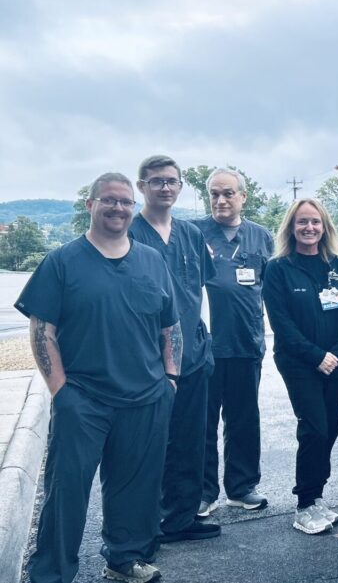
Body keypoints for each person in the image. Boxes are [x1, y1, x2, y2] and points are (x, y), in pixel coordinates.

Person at [16, 172, 179, 583]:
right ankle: (52, 574)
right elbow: (42, 331)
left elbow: (168, 327)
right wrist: (62, 393)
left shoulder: (151, 260)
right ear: (90, 205)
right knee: (66, 493)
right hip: (83, 399)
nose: (118, 208)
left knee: (135, 490)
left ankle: (124, 560)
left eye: (125, 202)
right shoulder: (62, 262)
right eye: (109, 200)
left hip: (145, 398)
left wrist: (170, 379)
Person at [128, 156, 221, 548]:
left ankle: (181, 518)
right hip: (148, 357)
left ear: (181, 186)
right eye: (155, 182)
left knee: (190, 440)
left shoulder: (191, 234)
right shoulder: (130, 232)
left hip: (194, 354)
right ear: (141, 187)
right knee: (149, 445)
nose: (164, 188)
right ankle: (142, 524)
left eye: (171, 181)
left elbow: (198, 287)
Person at [263, 199, 338, 535]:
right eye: (302, 222)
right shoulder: (278, 268)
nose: (309, 228)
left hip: (337, 361)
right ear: (291, 227)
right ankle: (304, 504)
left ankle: (318, 496)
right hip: (300, 363)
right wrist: (316, 356)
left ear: (325, 227)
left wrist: (336, 352)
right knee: (314, 428)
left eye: (315, 222)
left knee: (330, 430)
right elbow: (282, 324)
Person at [195, 168, 274, 515]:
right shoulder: (193, 233)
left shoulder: (261, 237)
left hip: (246, 344)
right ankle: (201, 492)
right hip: (204, 348)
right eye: (214, 194)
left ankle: (242, 487)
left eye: (228, 193)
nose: (221, 200)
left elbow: (272, 292)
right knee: (201, 422)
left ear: (243, 196)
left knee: (244, 419)